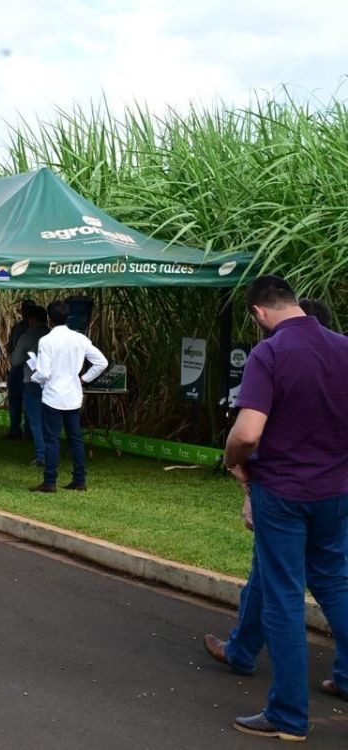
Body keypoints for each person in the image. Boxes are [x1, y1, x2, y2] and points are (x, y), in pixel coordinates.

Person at [212, 275, 348, 742]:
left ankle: (289, 715)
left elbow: (248, 432)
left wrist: (232, 462)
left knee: (285, 596)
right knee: (335, 583)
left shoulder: (268, 354)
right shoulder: (343, 347)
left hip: (284, 493)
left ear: (258, 313)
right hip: (335, 492)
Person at [28, 301, 107, 493]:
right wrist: (84, 379)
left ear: (50, 318)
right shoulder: (79, 339)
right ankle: (79, 479)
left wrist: (34, 376)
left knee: (51, 440)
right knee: (75, 439)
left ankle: (50, 481)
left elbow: (44, 372)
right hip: (73, 396)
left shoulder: (46, 341)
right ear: (67, 317)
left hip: (53, 396)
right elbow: (101, 362)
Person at [12, 306, 50, 467]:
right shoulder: (51, 335)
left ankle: (41, 455)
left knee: (35, 420)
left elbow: (15, 360)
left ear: (32, 319)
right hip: (52, 383)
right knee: (50, 419)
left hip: (33, 381)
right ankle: (52, 451)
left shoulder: (27, 336)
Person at [4, 299, 36, 440]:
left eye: (28, 309)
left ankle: (29, 431)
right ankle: (14, 430)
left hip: (29, 368)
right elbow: (10, 344)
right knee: (14, 399)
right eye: (24, 309)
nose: (25, 312)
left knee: (28, 400)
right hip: (16, 367)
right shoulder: (17, 327)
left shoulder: (35, 329)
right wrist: (10, 349)